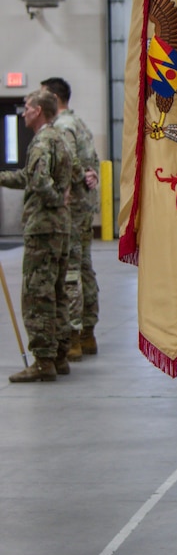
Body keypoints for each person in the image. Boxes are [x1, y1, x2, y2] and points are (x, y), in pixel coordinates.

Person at [0, 89, 72, 382]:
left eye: (27, 107)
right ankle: (59, 355)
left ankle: (43, 360)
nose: (23, 112)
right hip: (59, 226)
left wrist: (53, 198)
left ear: (39, 111)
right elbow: (31, 179)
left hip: (43, 226)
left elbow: (40, 183)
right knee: (56, 291)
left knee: (36, 295)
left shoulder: (42, 142)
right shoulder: (58, 138)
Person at [41, 77, 100, 358]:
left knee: (72, 271)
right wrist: (91, 175)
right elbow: (92, 161)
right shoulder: (79, 123)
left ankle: (74, 335)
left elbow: (69, 163)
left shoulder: (62, 127)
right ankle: (88, 332)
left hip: (72, 208)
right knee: (85, 268)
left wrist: (78, 177)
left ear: (53, 97)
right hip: (85, 208)